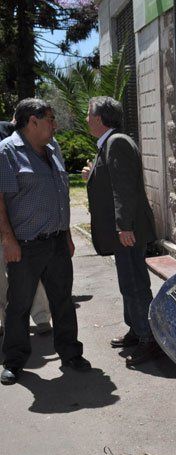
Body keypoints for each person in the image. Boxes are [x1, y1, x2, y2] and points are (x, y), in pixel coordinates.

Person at [0, 98, 91, 385]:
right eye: (50, 118)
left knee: (63, 301)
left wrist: (67, 235)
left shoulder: (53, 149)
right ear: (32, 121)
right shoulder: (7, 152)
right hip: (25, 244)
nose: (55, 124)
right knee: (19, 304)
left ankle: (71, 353)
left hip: (57, 242)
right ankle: (13, 361)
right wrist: (8, 241)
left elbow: (61, 195)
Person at [82, 96, 159, 366]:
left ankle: (149, 338)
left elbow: (124, 189)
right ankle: (136, 330)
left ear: (99, 118)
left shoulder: (117, 142)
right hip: (124, 231)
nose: (86, 119)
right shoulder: (109, 143)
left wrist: (124, 226)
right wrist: (91, 176)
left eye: (89, 115)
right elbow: (111, 181)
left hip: (128, 231)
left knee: (135, 283)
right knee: (128, 282)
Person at [0, 118, 52, 337]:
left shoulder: (5, 130)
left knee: (27, 268)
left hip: (12, 217)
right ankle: (6, 320)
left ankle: (41, 316)